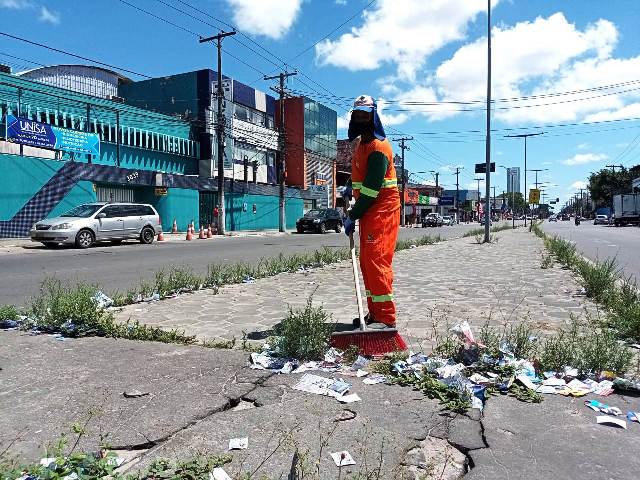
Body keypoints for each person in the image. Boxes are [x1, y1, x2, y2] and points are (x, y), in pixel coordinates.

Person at [343, 95, 400, 329]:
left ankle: (386, 318)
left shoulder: (378, 148)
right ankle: (374, 314)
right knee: (367, 263)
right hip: (369, 212)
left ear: (373, 116)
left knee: (377, 262)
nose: (361, 118)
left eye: (365, 114)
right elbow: (361, 177)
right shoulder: (362, 144)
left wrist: (352, 215)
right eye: (357, 114)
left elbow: (371, 190)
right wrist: (349, 186)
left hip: (382, 211)